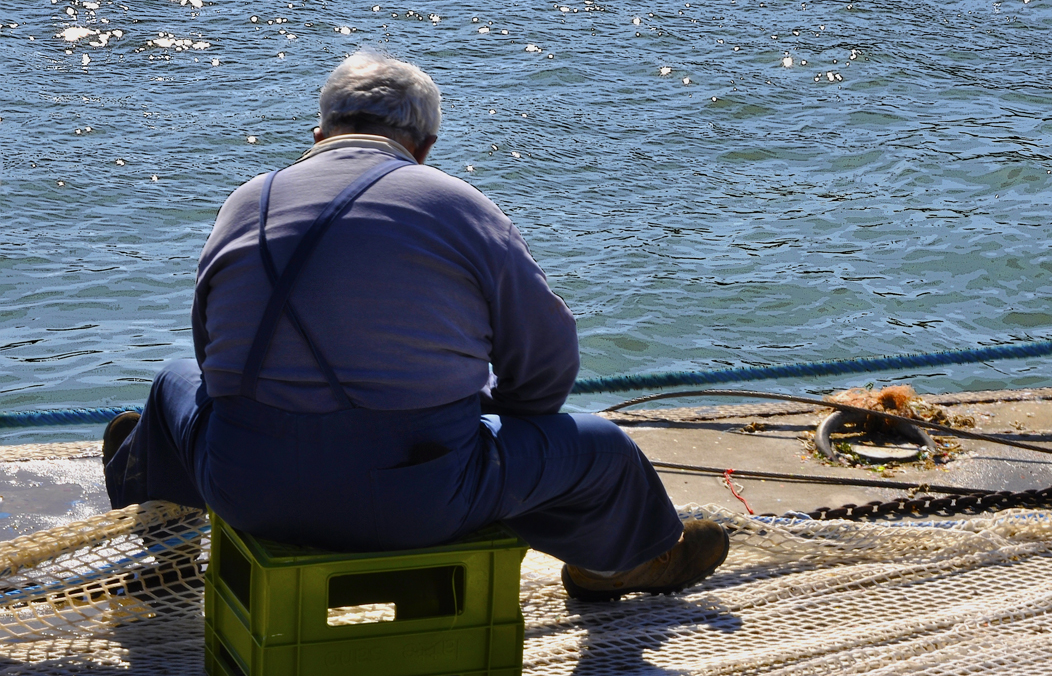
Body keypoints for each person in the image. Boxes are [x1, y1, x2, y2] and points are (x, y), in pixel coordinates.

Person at [102, 50, 728, 602]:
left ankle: (166, 543)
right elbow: (548, 356)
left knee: (172, 382)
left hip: (245, 488)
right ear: (423, 147)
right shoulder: (453, 202)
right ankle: (626, 565)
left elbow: (211, 353)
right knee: (603, 448)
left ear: (318, 133)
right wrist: (505, 418)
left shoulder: (249, 199)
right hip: (415, 501)